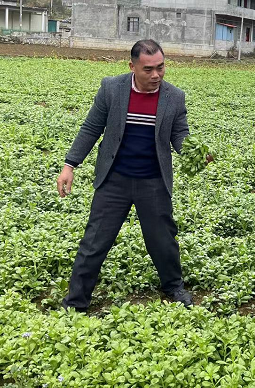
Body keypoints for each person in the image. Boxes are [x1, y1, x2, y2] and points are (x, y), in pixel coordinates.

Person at [57, 39, 197, 311]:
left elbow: (180, 134)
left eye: (160, 67)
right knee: (95, 241)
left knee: (163, 240)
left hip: (153, 180)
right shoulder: (112, 89)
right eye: (148, 69)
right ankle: (75, 302)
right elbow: (91, 128)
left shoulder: (174, 96)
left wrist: (193, 152)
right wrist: (69, 165)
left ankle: (174, 287)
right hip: (114, 179)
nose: (156, 75)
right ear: (132, 66)